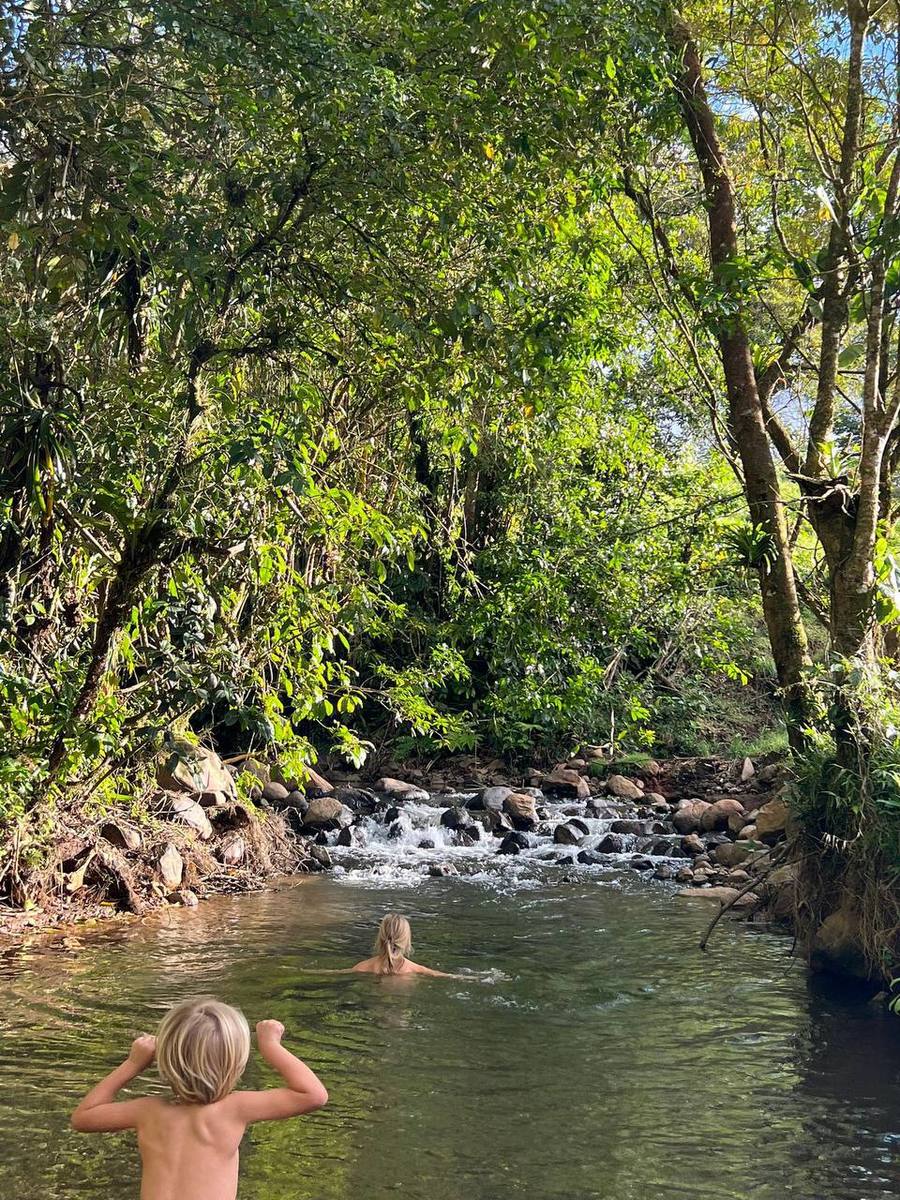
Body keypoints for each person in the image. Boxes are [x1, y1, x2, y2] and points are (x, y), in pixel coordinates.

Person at [70, 996, 328, 1200]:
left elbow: (83, 1117)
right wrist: (271, 1046)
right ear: (235, 1063)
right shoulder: (235, 1108)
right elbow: (313, 1095)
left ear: (166, 1058)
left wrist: (133, 1063)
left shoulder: (148, 1111)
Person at [350, 913, 452, 977]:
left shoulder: (362, 967)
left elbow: (336, 973)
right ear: (406, 940)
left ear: (380, 938)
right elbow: (448, 976)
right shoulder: (416, 969)